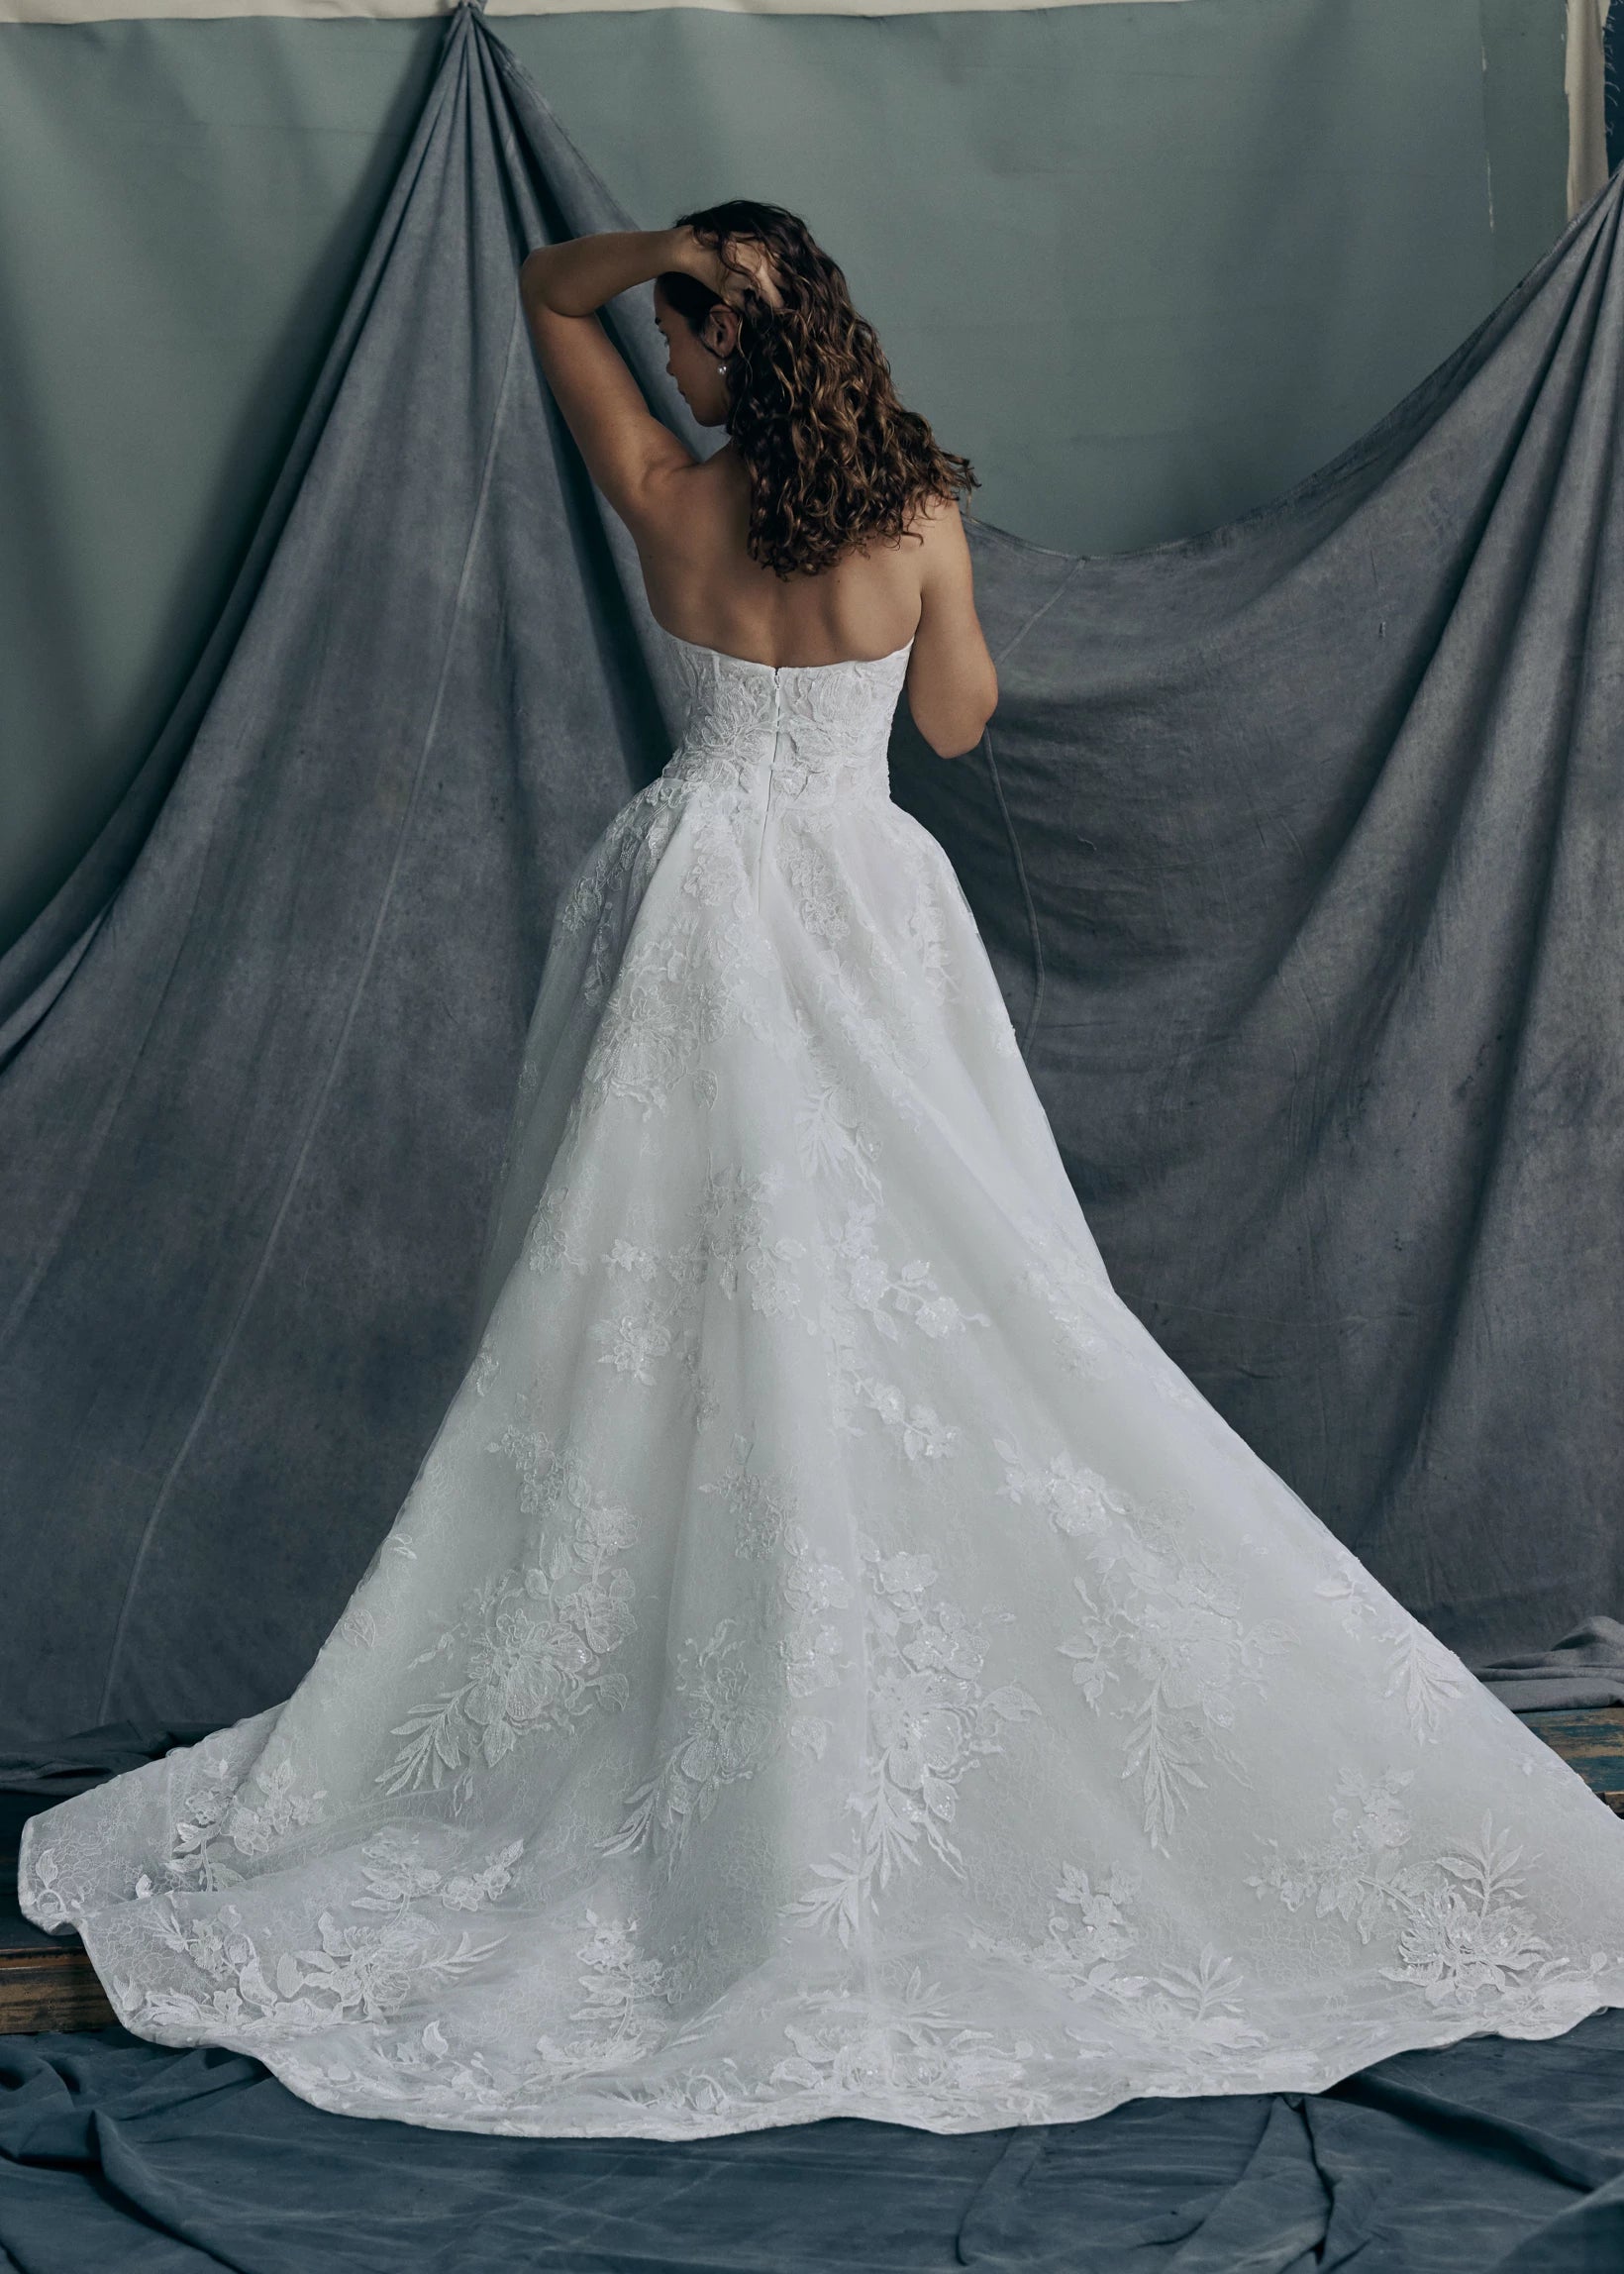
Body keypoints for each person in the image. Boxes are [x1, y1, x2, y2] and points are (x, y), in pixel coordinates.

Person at [20, 203, 1624, 2142]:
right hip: (863, 906)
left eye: (689, 336)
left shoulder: (665, 498)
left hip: (689, 908)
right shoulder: (916, 518)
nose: (670, 360)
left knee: (656, 1305)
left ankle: (718, 1693)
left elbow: (544, 293)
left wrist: (656, 251)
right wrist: (891, 584)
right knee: (929, 1290)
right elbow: (954, 720)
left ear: (727, 344)